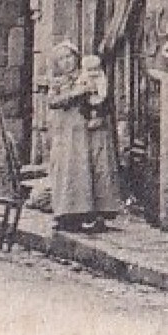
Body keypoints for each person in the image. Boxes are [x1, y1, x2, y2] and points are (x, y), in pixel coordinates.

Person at [46, 44, 123, 232]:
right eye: (61, 59)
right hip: (67, 133)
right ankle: (68, 214)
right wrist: (76, 93)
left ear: (76, 57)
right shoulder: (58, 82)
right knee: (70, 171)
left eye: (69, 57)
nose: (66, 62)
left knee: (92, 169)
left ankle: (94, 213)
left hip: (88, 131)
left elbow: (102, 97)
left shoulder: (89, 74)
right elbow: (53, 101)